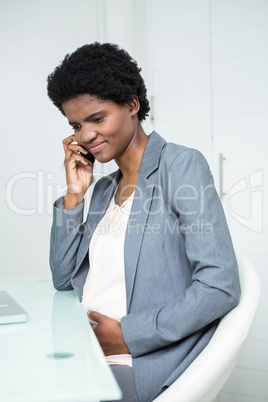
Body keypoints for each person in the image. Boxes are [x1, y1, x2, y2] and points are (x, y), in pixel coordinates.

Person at [47, 42, 241, 402]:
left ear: (132, 104)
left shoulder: (180, 166)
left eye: (97, 118)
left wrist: (128, 335)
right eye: (76, 125)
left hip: (136, 359)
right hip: (85, 351)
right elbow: (62, 278)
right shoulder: (104, 189)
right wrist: (75, 195)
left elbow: (221, 285)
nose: (85, 135)